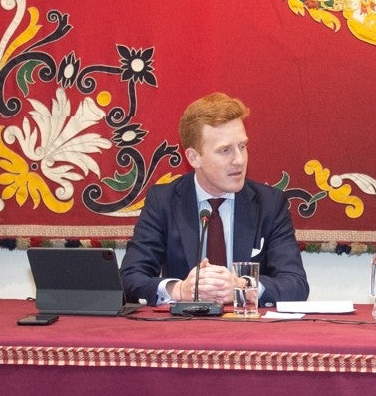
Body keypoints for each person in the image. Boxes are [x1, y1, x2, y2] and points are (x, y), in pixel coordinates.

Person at [121, 92, 309, 307]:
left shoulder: (269, 204)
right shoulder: (163, 201)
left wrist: (243, 287)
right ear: (194, 157)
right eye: (225, 150)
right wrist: (180, 290)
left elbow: (296, 284)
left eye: (242, 146)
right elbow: (130, 278)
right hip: (183, 334)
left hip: (249, 333)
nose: (239, 160)